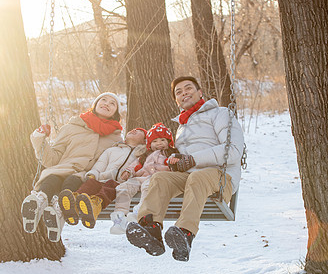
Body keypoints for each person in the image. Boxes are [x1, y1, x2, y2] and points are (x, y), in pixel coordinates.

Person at [126, 76, 244, 261]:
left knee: (198, 178)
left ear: (200, 92)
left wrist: (192, 160)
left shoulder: (220, 113)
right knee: (159, 180)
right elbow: (184, 159)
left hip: (220, 177)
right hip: (189, 177)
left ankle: (185, 234)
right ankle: (151, 229)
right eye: (178, 92)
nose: (184, 93)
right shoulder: (182, 126)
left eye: (188, 88)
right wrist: (175, 160)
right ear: (176, 100)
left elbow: (234, 150)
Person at [21, 92, 123, 243]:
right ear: (95, 104)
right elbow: (52, 159)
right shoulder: (72, 127)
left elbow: (117, 161)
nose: (107, 104)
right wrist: (39, 139)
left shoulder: (116, 138)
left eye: (112, 104)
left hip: (85, 177)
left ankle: (57, 212)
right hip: (63, 168)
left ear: (115, 113)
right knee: (54, 178)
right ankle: (39, 202)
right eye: (103, 100)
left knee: (72, 181)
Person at [57, 128, 147, 231]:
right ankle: (73, 204)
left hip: (120, 183)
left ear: (144, 140)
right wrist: (93, 175)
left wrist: (130, 176)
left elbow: (142, 170)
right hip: (102, 178)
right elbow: (100, 165)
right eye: (132, 129)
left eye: (139, 131)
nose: (134, 130)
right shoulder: (112, 150)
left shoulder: (143, 156)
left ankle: (95, 205)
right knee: (90, 184)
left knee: (110, 187)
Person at [110, 123, 178, 234]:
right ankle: (120, 216)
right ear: (149, 144)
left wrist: (173, 162)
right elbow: (135, 165)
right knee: (123, 187)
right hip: (141, 177)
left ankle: (140, 211)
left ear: (169, 142)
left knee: (148, 186)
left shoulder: (171, 154)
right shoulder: (145, 155)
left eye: (162, 140)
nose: (159, 143)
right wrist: (129, 171)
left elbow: (175, 167)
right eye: (155, 141)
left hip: (157, 179)